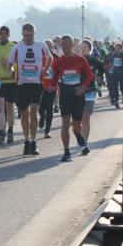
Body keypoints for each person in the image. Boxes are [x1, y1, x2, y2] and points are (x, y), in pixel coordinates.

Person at [9, 23, 51, 156]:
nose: (28, 37)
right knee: (24, 114)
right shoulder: (17, 47)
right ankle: (26, 141)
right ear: (22, 34)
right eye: (26, 35)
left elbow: (50, 57)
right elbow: (10, 64)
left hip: (36, 83)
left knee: (33, 111)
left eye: (30, 35)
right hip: (21, 84)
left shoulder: (41, 45)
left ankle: (33, 142)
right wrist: (12, 71)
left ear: (34, 34)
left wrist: (45, 69)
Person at [51, 35, 95, 163]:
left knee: (76, 126)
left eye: (66, 44)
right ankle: (66, 152)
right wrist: (51, 87)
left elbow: (90, 75)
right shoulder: (59, 61)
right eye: (62, 44)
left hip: (77, 95)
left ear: (71, 45)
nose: (63, 46)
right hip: (65, 94)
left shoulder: (80, 59)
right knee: (65, 124)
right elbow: (54, 78)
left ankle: (80, 137)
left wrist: (83, 87)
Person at [78, 39, 100, 155]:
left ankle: (85, 143)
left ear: (89, 48)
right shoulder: (76, 59)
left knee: (85, 118)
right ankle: (82, 139)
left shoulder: (94, 60)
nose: (82, 49)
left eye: (85, 47)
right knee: (79, 119)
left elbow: (101, 69)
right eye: (81, 47)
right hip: (78, 92)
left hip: (90, 91)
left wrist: (99, 78)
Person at [39, 40, 59, 139]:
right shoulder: (39, 57)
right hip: (40, 86)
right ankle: (42, 116)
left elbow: (59, 73)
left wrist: (54, 85)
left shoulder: (56, 58)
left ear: (52, 47)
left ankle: (47, 131)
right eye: (45, 45)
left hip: (51, 87)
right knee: (40, 109)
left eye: (49, 46)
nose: (47, 47)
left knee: (49, 108)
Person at [104, 41, 123, 108]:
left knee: (122, 88)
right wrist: (110, 65)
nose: (117, 50)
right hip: (115, 74)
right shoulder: (113, 55)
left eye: (119, 48)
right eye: (116, 48)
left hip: (122, 74)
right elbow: (110, 62)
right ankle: (116, 101)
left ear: (121, 49)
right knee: (115, 88)